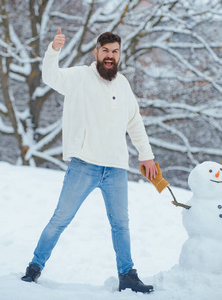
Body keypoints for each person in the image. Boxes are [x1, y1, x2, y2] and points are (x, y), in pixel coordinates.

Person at [21, 28, 158, 294]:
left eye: (115, 51)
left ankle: (127, 275)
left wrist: (147, 155)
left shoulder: (123, 84)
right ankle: (34, 269)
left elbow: (134, 121)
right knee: (60, 219)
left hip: (116, 168)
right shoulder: (80, 77)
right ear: (96, 52)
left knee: (121, 224)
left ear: (119, 55)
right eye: (105, 50)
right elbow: (51, 76)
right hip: (84, 164)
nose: (110, 56)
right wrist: (54, 50)